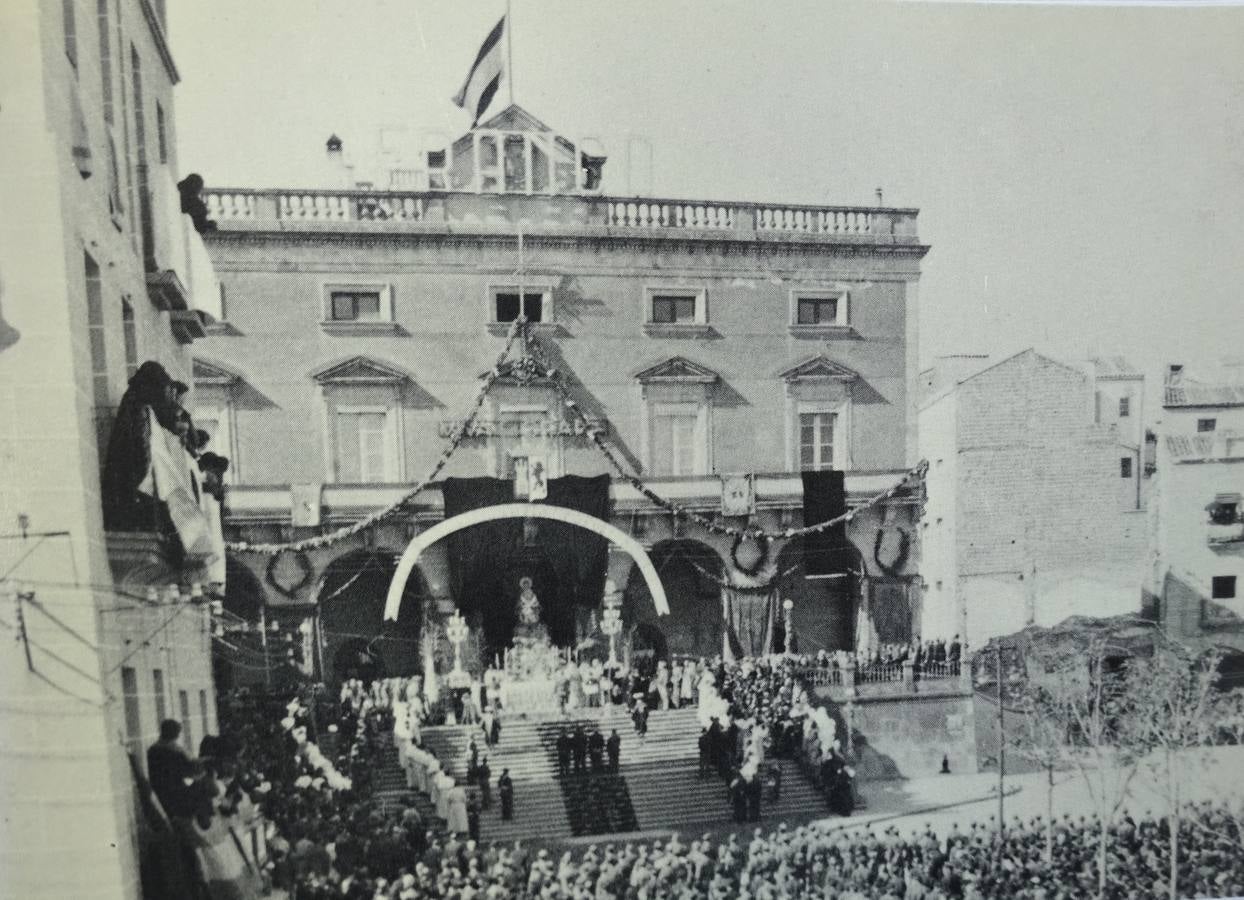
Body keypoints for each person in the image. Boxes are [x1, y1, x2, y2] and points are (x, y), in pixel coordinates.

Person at [147, 719, 196, 818]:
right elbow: (191, 770)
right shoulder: (175, 751)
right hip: (177, 794)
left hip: (160, 791)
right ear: (176, 735)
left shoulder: (152, 750)